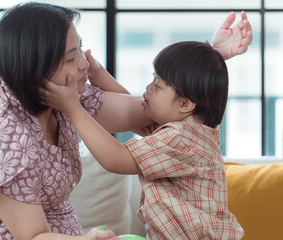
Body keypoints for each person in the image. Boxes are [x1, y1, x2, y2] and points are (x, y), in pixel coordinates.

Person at [0, 1, 251, 239]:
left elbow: (150, 112)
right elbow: (31, 235)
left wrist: (210, 59)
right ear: (39, 67)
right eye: (72, 57)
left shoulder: (66, 94)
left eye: (81, 49)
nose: (86, 63)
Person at [44, 18, 252, 239]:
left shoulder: (180, 138)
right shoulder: (187, 128)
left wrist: (73, 109)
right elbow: (137, 112)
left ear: (185, 104)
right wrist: (99, 75)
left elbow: (115, 159)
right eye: (152, 78)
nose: (148, 88)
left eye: (158, 85)